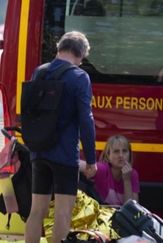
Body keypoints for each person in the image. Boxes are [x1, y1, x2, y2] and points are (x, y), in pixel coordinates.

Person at [25, 31, 96, 243]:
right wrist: (91, 159)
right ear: (80, 53)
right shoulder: (79, 77)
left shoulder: (39, 72)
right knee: (63, 213)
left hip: (38, 151)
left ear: (59, 48)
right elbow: (86, 120)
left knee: (37, 211)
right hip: (65, 155)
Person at [80, 135, 140, 206]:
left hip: (122, 216)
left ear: (129, 154)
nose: (121, 155)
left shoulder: (132, 174)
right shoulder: (103, 169)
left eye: (124, 151)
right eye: (116, 151)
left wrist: (127, 180)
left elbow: (132, 209)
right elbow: (78, 164)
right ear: (108, 155)